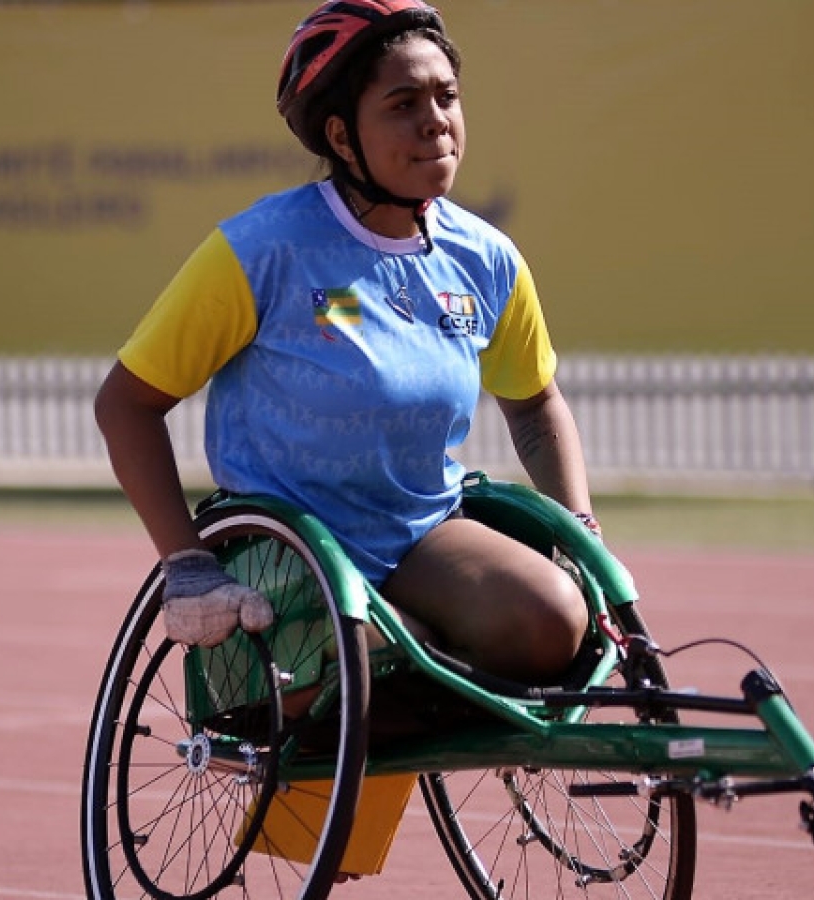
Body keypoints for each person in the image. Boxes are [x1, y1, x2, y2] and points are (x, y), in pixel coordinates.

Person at [94, 0, 601, 685]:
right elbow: (126, 404)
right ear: (340, 134)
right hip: (289, 548)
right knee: (381, 667)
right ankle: (387, 652)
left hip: (421, 538)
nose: (435, 120)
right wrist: (186, 566)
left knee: (555, 620)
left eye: (447, 96)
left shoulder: (486, 258)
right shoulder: (260, 249)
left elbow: (535, 405)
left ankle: (409, 644)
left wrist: (580, 530)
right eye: (403, 103)